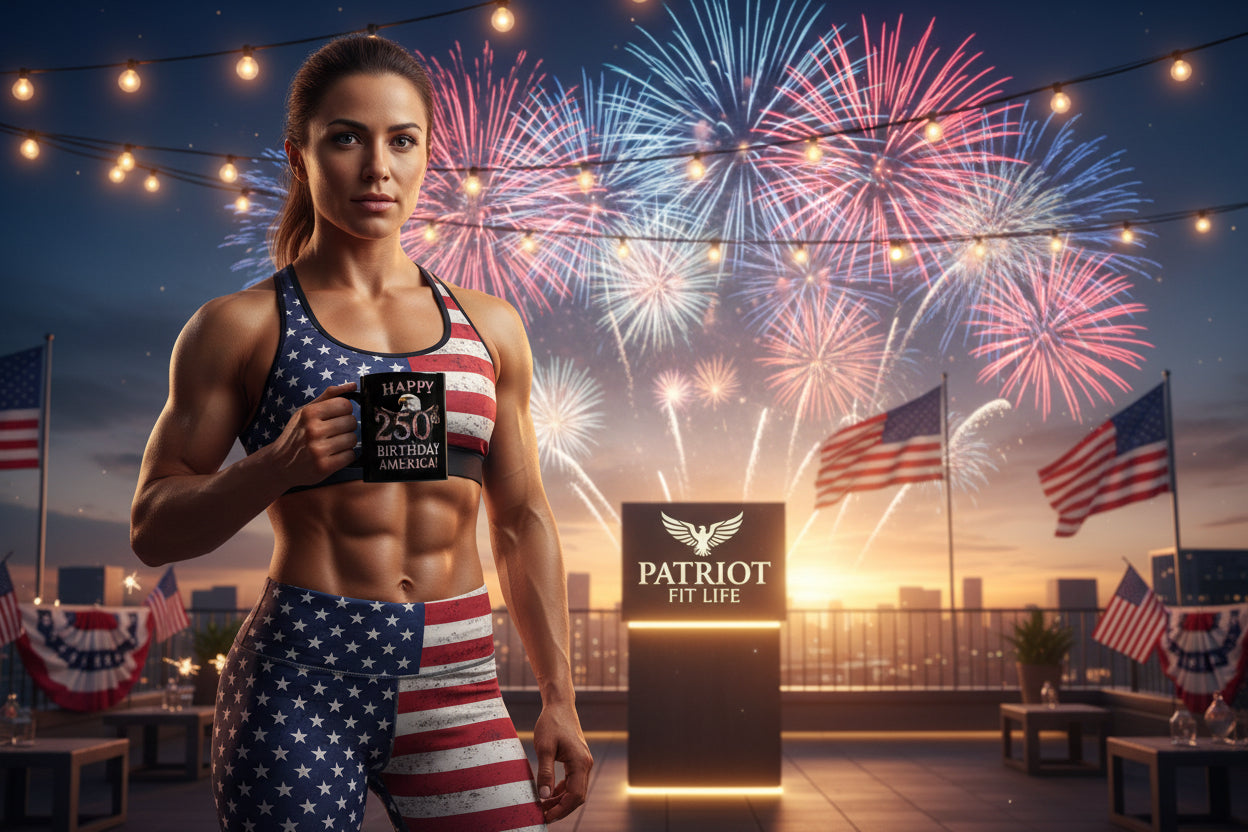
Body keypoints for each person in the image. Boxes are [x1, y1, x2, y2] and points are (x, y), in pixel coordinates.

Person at [130, 34, 591, 832]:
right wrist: (273, 467)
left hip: (458, 679)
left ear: (425, 157)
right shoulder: (240, 326)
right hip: (300, 679)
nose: (377, 166)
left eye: (401, 140)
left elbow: (521, 521)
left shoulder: (491, 328)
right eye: (346, 136)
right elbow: (151, 527)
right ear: (299, 157)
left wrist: (560, 698)